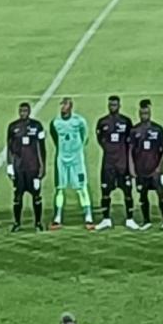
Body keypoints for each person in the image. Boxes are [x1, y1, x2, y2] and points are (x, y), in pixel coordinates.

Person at [50, 97, 93, 229]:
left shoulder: (79, 121)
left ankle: (88, 215)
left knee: (81, 187)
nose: (63, 108)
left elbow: (85, 136)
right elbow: (55, 138)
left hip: (77, 160)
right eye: (62, 106)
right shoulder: (55, 122)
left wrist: (76, 149)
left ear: (70, 107)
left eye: (65, 105)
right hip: (62, 159)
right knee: (60, 188)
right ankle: (57, 217)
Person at [95, 95, 135, 231]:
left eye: (115, 105)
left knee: (128, 192)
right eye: (111, 105)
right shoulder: (102, 122)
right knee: (105, 192)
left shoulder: (126, 122)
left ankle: (130, 219)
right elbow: (100, 140)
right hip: (108, 164)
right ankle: (106, 219)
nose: (113, 107)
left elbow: (131, 141)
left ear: (119, 105)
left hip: (123, 164)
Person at [130, 99, 163, 231]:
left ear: (150, 113)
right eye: (142, 113)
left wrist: (160, 167)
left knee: (161, 195)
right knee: (143, 196)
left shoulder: (157, 129)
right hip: (141, 170)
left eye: (146, 113)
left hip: (155, 171)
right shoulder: (135, 130)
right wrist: (132, 168)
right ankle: (146, 221)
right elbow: (130, 151)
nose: (144, 116)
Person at [7, 101, 47, 232]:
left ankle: (38, 223)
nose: (23, 113)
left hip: (33, 168)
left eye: (25, 111)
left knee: (36, 196)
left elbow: (42, 148)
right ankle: (17, 223)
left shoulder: (37, 126)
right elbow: (10, 149)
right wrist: (9, 166)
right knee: (17, 197)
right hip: (19, 168)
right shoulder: (13, 127)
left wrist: (43, 166)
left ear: (29, 111)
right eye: (21, 111)